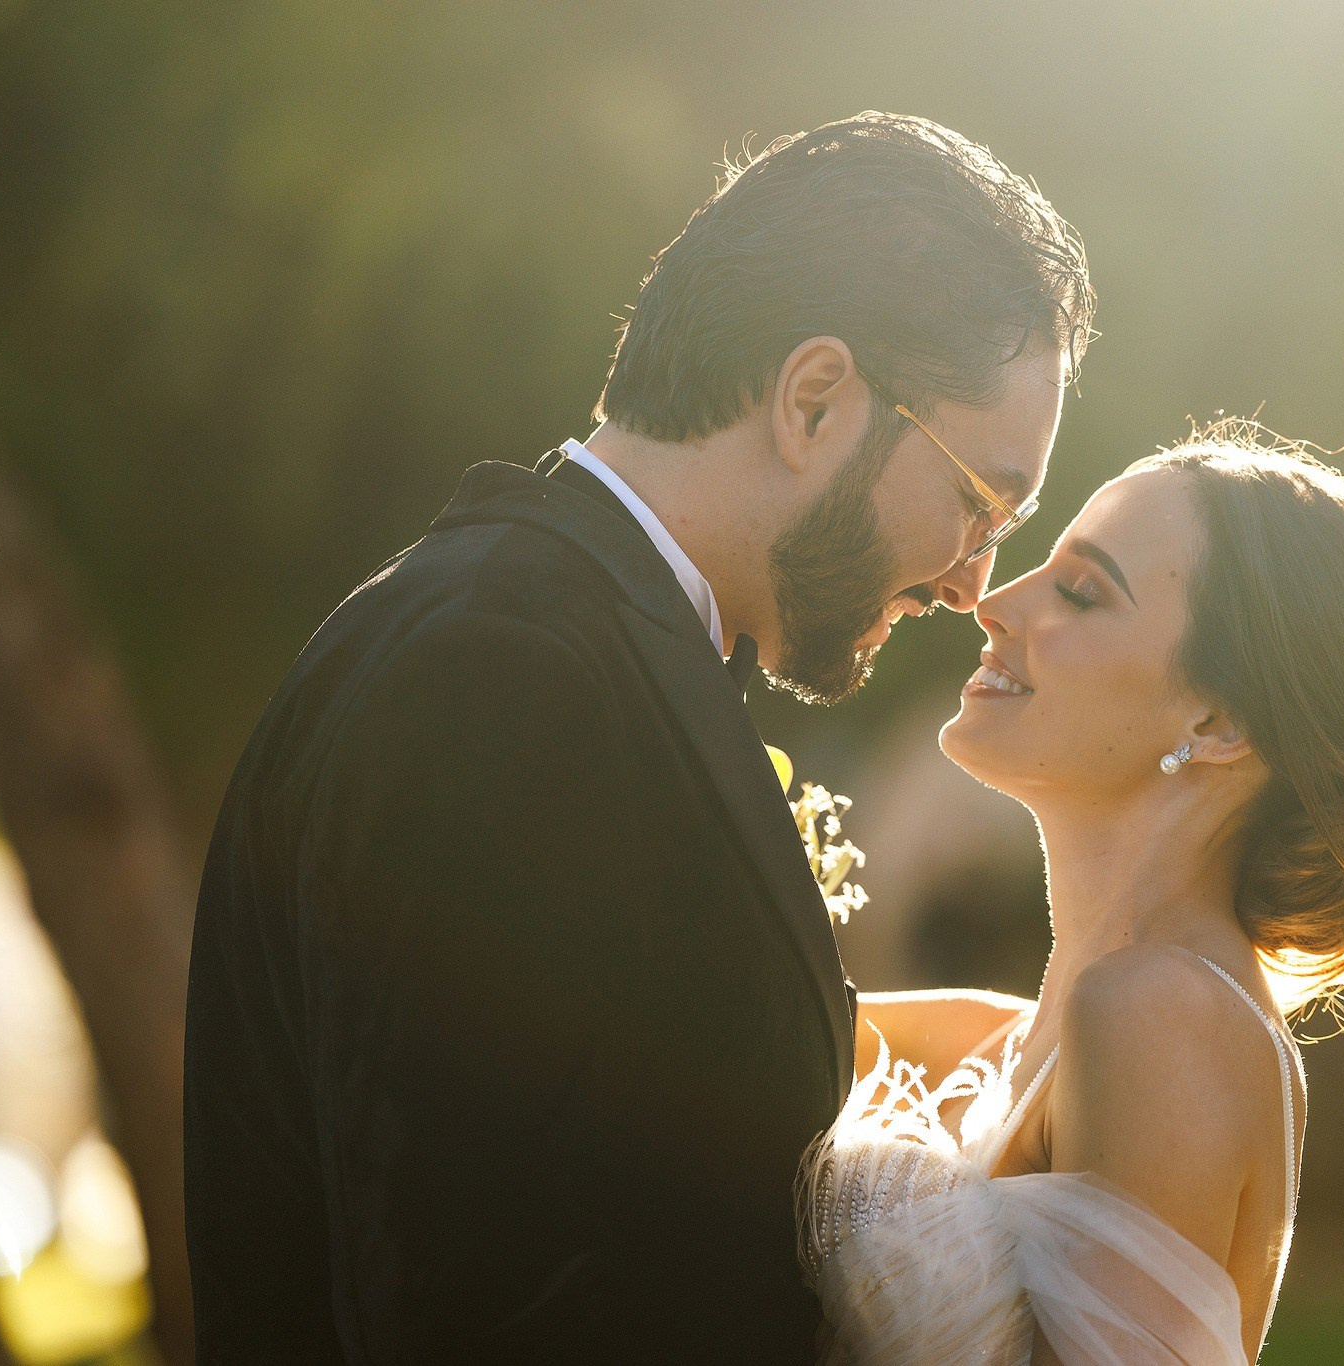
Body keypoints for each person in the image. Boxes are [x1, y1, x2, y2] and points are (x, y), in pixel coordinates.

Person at [182, 111, 1094, 1361]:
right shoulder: (502, 671)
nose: (968, 579)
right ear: (814, 399)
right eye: (977, 498)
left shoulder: (574, 640)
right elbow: (463, 1297)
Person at [800, 424, 1344, 1365]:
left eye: (1081, 590)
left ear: (1218, 720)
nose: (994, 600)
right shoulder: (1010, 1039)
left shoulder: (1161, 1016)